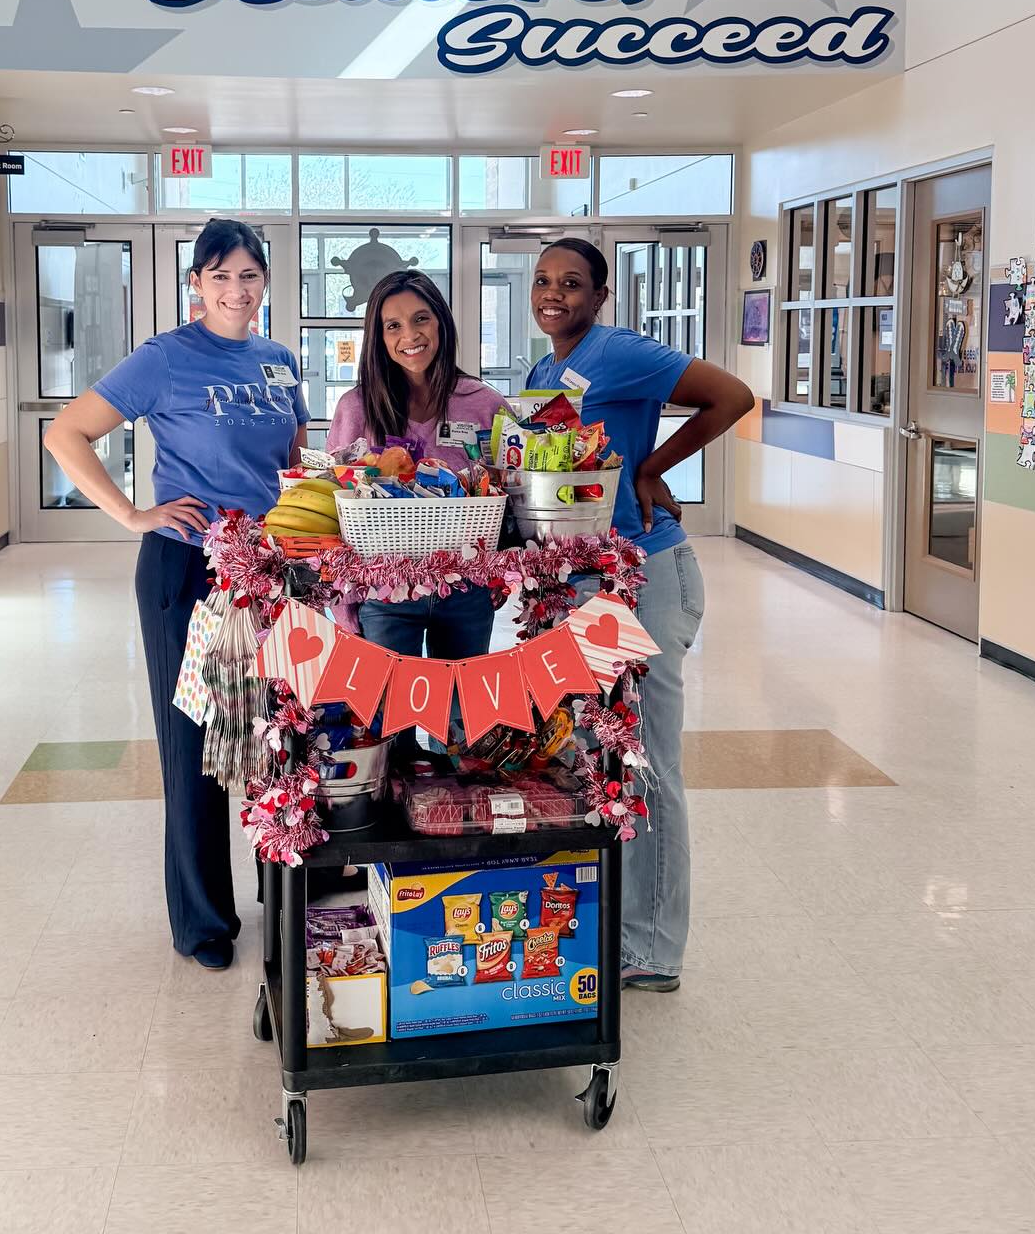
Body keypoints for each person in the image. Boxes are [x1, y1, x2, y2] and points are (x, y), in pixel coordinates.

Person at [43, 220, 308, 971]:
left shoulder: (279, 361)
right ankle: (203, 922)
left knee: (275, 735)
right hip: (187, 568)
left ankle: (283, 889)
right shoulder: (164, 357)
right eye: (220, 276)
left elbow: (293, 459)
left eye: (249, 275)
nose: (236, 290)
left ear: (265, 281)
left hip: (268, 571)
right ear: (196, 283)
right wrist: (132, 513)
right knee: (192, 743)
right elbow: (67, 433)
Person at [527, 237, 753, 992]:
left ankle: (654, 949)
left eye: (571, 283)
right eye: (543, 280)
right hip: (587, 584)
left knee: (646, 764)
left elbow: (732, 396)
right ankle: (618, 921)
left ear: (599, 296)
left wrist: (654, 466)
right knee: (597, 758)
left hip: (646, 576)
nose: (553, 293)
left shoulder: (619, 351)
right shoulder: (544, 372)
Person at [328, 269, 509, 673]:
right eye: (393, 325)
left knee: (462, 708)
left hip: (466, 589)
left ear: (441, 322)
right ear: (378, 337)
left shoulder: (485, 403)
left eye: (421, 318)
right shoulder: (356, 408)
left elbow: (510, 495)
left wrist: (501, 575)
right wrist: (344, 602)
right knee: (388, 708)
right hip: (382, 592)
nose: (410, 335)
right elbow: (333, 509)